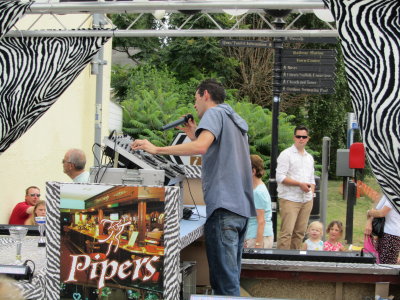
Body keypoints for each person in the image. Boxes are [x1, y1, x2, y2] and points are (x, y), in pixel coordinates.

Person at [131, 79, 256, 296]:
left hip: (223, 210)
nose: (195, 105)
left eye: (195, 98)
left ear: (205, 94)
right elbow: (212, 147)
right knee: (230, 282)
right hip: (240, 210)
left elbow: (201, 147)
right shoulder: (233, 119)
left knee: (224, 288)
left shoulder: (214, 114)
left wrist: (156, 149)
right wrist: (194, 132)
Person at [276, 125, 315, 250]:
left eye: (304, 137)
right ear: (294, 137)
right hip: (290, 198)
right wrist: (299, 184)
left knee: (300, 233)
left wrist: (311, 192)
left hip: (306, 199)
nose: (301, 139)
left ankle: (294, 261)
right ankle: (281, 263)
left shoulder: (309, 158)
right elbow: (280, 177)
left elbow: (312, 178)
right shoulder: (286, 154)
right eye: (298, 136)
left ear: (308, 138)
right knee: (286, 233)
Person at [244, 155, 273, 249]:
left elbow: (261, 221)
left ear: (253, 171)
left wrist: (257, 244)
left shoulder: (258, 193)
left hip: (258, 237)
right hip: (255, 235)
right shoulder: (257, 188)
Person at [365, 195, 400, 264]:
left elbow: (381, 213)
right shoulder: (387, 194)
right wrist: (369, 221)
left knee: (385, 266)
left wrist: (369, 212)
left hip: (391, 235)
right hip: (384, 233)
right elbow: (376, 209)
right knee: (379, 262)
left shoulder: (395, 194)